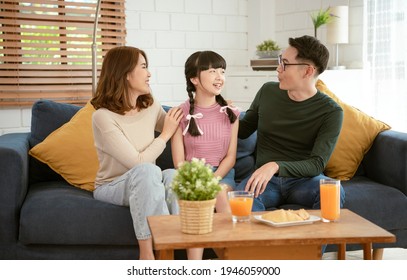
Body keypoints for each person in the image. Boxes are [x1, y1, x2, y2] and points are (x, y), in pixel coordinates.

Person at [90, 46, 183, 260]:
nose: (149, 74)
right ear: (125, 74)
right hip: (112, 184)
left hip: (145, 179)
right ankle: (148, 254)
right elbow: (137, 162)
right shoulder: (103, 117)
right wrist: (165, 135)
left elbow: (178, 124)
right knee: (147, 171)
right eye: (143, 67)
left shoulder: (150, 105)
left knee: (172, 176)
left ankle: (174, 251)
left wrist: (219, 109)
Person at [235, 35, 345, 212]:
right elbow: (244, 129)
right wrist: (220, 111)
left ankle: (314, 241)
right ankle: (265, 241)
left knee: (333, 191)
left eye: (285, 63)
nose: (278, 68)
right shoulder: (267, 92)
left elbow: (317, 163)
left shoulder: (331, 112)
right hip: (266, 181)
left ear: (308, 71)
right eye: (280, 61)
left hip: (304, 181)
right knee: (242, 199)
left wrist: (275, 165)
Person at [170, 50, 240, 259]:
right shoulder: (179, 114)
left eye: (222, 71)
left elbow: (231, 157)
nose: (220, 77)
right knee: (199, 200)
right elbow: (179, 162)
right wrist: (198, 181)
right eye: (212, 71)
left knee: (218, 191)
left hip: (222, 175)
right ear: (194, 79)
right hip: (192, 176)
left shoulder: (231, 113)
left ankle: (232, 259)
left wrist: (212, 179)